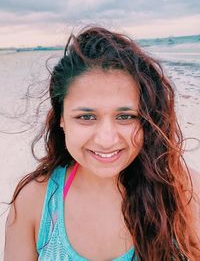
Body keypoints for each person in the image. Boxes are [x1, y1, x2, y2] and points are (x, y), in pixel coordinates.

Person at [4, 26, 200, 261]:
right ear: (62, 120)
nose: (106, 139)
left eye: (125, 116)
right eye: (86, 117)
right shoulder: (34, 201)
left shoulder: (185, 191)